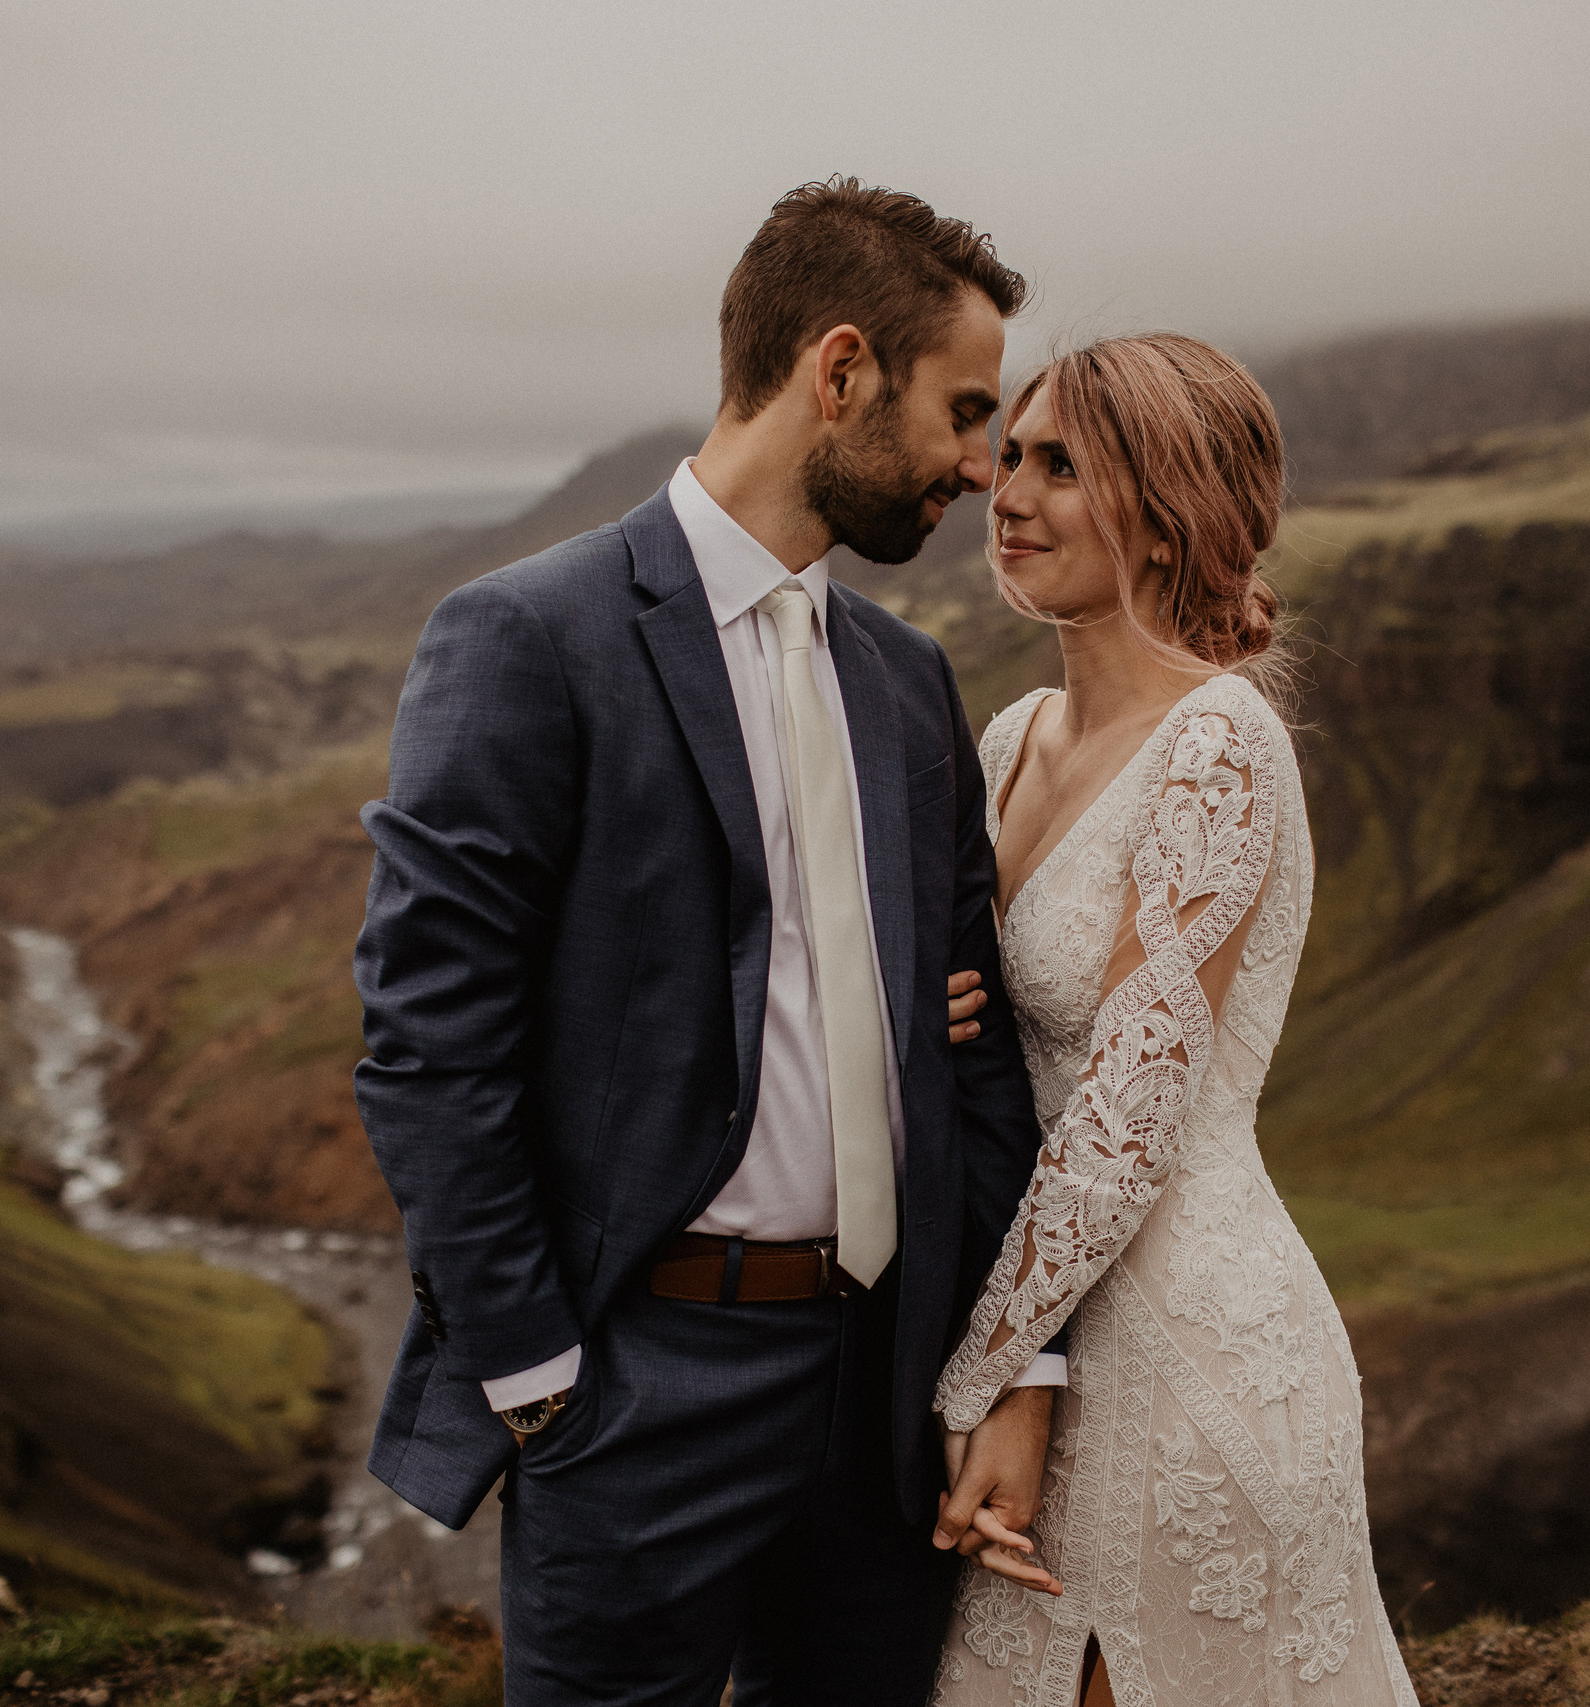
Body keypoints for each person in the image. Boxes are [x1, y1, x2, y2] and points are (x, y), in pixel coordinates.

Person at [350, 178, 1065, 1706]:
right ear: (841, 370)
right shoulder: (530, 638)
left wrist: (1004, 1358)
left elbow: (980, 1040)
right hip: (638, 1397)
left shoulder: (907, 681)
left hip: (882, 1400)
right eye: (963, 410)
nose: (977, 465)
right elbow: (428, 1048)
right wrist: (541, 1382)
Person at [923, 335, 1421, 1707]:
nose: (1008, 492)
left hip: (1185, 1345)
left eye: (1060, 466)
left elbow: (1128, 1121)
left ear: (1166, 508)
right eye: (1010, 455)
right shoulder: (1011, 736)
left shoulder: (1219, 744)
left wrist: (991, 1377)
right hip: (1045, 1324)